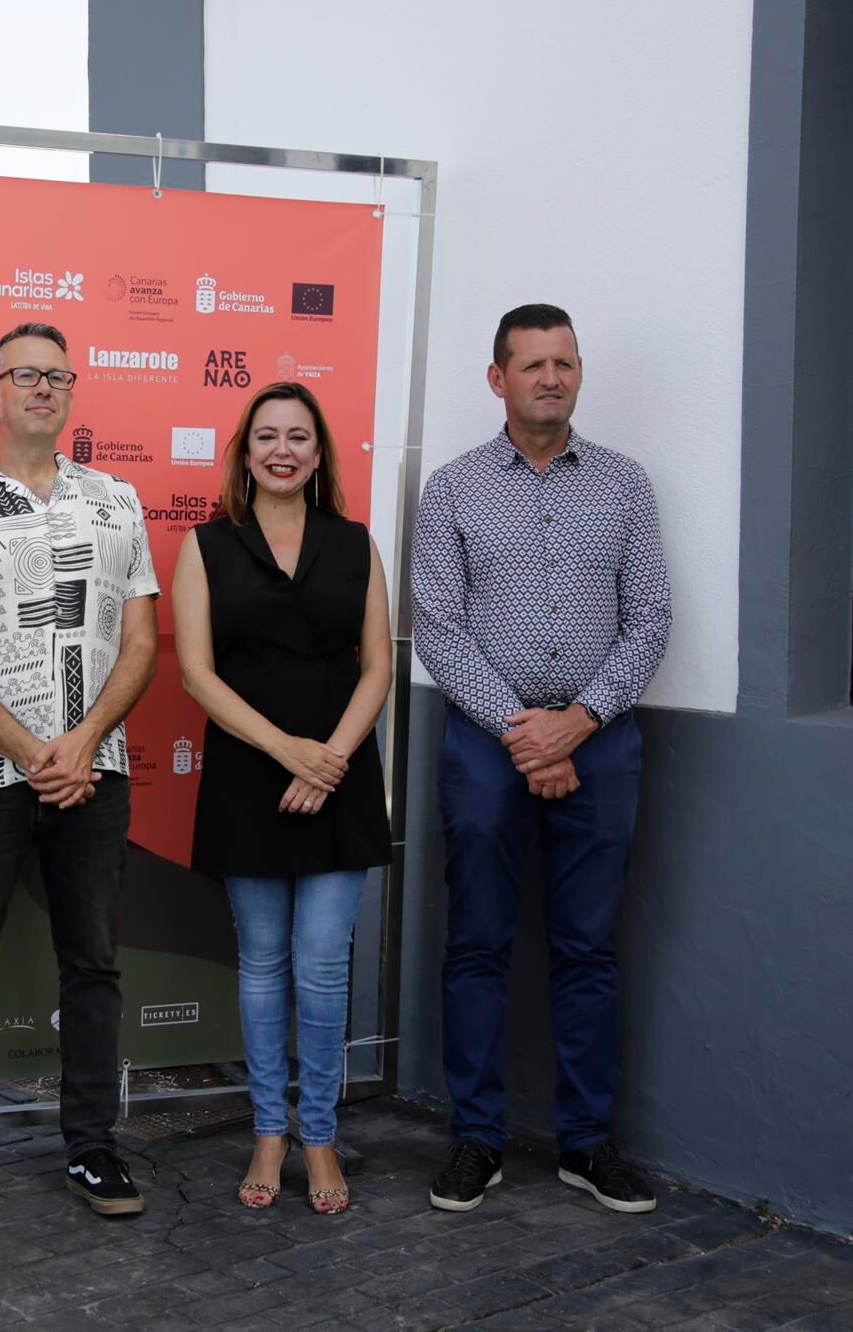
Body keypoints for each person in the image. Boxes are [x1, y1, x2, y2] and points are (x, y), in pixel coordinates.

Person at [0, 322, 159, 1232]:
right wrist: (31, 751)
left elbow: (141, 641)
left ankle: (92, 1144)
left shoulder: (117, 499)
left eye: (58, 376)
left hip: (96, 769)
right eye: (25, 375)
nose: (43, 389)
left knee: (93, 966)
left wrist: (81, 742)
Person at [411, 303, 672, 1215]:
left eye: (564, 362)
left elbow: (650, 619)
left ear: (578, 373)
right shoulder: (450, 489)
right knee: (477, 943)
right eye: (532, 364)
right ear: (499, 379)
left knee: (588, 948)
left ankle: (588, 1143)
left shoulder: (626, 485)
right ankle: (477, 1138)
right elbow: (437, 628)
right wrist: (526, 730)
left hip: (601, 745)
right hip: (487, 747)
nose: (550, 378)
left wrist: (580, 721)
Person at [172, 382, 392, 1215]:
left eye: (299, 436)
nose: (283, 449)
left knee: (322, 965)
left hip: (339, 779)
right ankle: (270, 1129)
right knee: (263, 965)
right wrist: (286, 751)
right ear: (244, 450)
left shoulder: (356, 543)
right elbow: (196, 671)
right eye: (267, 435)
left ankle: (320, 1135)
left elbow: (377, 664)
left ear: (319, 451)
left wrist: (328, 758)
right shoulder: (207, 545)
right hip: (248, 777)